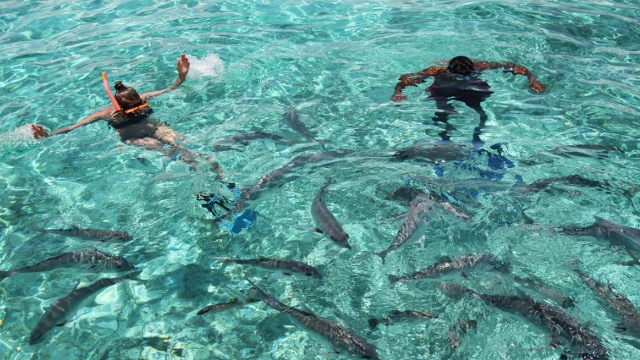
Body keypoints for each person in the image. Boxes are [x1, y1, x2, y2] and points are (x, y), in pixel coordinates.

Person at [31, 54, 205, 169]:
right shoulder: (106, 113)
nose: (137, 110)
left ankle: (201, 164)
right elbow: (73, 127)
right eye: (132, 109)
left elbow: (171, 88)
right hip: (133, 138)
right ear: (119, 107)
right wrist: (48, 135)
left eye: (139, 105)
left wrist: (181, 76)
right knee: (160, 148)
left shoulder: (143, 98)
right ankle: (184, 171)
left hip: (155, 128)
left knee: (180, 143)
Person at [390, 56, 546, 144]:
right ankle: (445, 140)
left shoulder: (480, 66)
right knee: (442, 115)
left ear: (473, 69)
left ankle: (477, 137)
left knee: (481, 114)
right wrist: (397, 92)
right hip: (442, 90)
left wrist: (533, 80)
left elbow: (518, 68)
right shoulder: (436, 71)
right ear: (449, 71)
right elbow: (406, 79)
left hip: (469, 90)